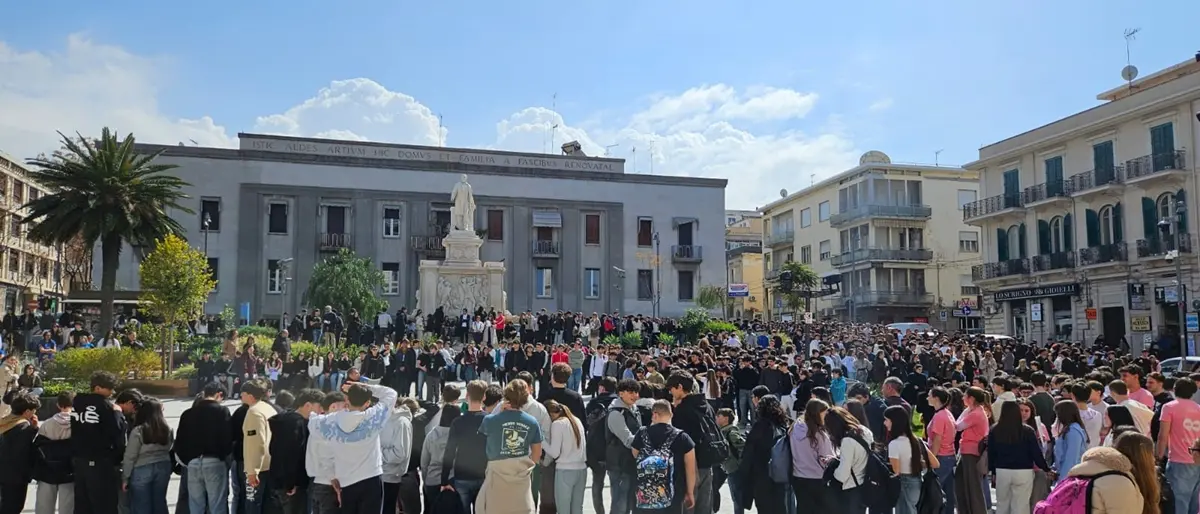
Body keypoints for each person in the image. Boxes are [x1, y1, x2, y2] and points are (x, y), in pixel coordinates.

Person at [309, 381, 397, 514]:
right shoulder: (373, 417)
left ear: (346, 399)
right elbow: (391, 393)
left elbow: (313, 422)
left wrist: (331, 475)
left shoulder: (330, 421)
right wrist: (365, 386)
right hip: (371, 477)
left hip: (346, 481)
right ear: (367, 403)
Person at [477, 379, 544, 514]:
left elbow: (480, 445)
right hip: (521, 476)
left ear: (505, 397)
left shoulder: (490, 420)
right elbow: (537, 454)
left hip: (496, 476)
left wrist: (498, 412)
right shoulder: (532, 422)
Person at [72, 370, 128, 514]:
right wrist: (118, 413)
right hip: (100, 460)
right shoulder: (106, 407)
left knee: (82, 502)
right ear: (97, 388)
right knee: (104, 503)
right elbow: (116, 431)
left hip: (79, 459)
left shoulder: (77, 403)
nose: (112, 392)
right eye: (109, 388)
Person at [174, 382, 233, 514]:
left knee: (195, 505)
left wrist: (187, 461)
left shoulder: (187, 414)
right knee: (217, 504)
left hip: (193, 463)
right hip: (214, 462)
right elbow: (227, 438)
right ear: (219, 395)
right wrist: (224, 458)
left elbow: (179, 441)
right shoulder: (222, 411)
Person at [268, 388, 323, 514]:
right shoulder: (296, 424)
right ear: (308, 405)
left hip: (279, 480)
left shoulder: (285, 420)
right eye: (319, 407)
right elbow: (290, 455)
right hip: (292, 486)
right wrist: (290, 484)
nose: (321, 411)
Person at [987, 400, 1047, 514]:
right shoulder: (1028, 430)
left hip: (1002, 470)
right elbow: (1036, 452)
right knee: (1021, 505)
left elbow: (991, 452)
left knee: (1002, 503)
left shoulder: (995, 429)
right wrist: (1045, 468)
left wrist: (993, 471)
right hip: (1024, 470)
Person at [440, 380, 488, 512]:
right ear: (484, 396)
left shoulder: (458, 422)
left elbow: (449, 451)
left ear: (467, 396)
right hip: (483, 474)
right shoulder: (489, 420)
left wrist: (444, 480)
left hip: (462, 475)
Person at [737, 395, 789, 513]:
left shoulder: (760, 426)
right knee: (780, 507)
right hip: (780, 474)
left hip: (762, 474)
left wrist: (743, 474)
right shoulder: (782, 425)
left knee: (764, 508)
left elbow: (749, 453)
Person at [122, 398, 174, 514]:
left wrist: (125, 477)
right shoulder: (167, 429)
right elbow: (169, 447)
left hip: (142, 467)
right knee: (160, 502)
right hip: (163, 466)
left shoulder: (139, 431)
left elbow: (130, 456)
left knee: (142, 504)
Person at [1156, 378, 1200, 514]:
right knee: (1193, 500)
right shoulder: (1198, 408)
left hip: (1178, 459)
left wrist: (1158, 456)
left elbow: (1163, 435)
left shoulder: (1169, 407)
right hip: (1196, 458)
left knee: (1177, 502)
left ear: (1175, 389)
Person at [885, 404, 938, 514]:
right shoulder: (917, 440)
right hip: (917, 481)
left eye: (887, 420)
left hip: (903, 483)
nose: (885, 423)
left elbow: (896, 470)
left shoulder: (894, 444)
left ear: (894, 422)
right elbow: (935, 463)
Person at [789, 398, 835, 512]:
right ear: (817, 414)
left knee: (802, 508)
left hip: (798, 476)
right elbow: (827, 457)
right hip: (817, 478)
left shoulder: (794, 428)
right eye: (824, 414)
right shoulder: (819, 434)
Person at [33, 392, 75, 514]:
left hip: (48, 470)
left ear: (58, 405)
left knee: (44, 506)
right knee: (68, 506)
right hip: (69, 469)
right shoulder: (77, 424)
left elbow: (38, 445)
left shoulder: (47, 423)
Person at [606, 378, 644, 514]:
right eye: (630, 392)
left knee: (631, 500)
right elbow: (628, 440)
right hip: (619, 464)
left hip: (631, 463)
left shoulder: (634, 409)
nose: (635, 395)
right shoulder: (616, 413)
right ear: (620, 393)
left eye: (636, 392)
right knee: (620, 502)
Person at [826, 406, 871, 514]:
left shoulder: (847, 441)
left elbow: (843, 473)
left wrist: (832, 473)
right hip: (863, 483)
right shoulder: (864, 430)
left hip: (850, 488)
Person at [0, 392, 40, 514]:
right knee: (13, 507)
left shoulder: (4, 422)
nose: (34, 413)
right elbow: (24, 453)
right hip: (16, 477)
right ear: (27, 411)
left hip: (3, 473)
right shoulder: (23, 427)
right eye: (34, 410)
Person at [954, 386, 989, 514]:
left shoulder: (976, 414)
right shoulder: (975, 411)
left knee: (973, 485)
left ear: (971, 398)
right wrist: (968, 408)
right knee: (961, 482)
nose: (963, 398)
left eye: (965, 396)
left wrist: (967, 410)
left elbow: (958, 426)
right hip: (966, 451)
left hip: (971, 452)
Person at [381, 395, 414, 514]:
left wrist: (376, 452)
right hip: (376, 475)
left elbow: (399, 454)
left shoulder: (401, 423)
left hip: (389, 476)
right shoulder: (380, 420)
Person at [1113, 432, 1160, 514]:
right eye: (1151, 455)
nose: (1154, 460)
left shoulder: (1112, 479)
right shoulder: (1124, 486)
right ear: (1144, 458)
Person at [714, 408, 746, 514]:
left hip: (734, 468)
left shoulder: (731, 432)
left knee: (737, 498)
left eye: (719, 417)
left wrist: (739, 462)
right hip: (728, 467)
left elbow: (743, 446)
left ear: (726, 419)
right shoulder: (723, 431)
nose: (716, 419)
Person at [1052, 400, 1087, 486]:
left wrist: (1063, 481)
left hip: (1069, 477)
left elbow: (1071, 458)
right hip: (1063, 473)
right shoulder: (1069, 429)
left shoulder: (1073, 431)